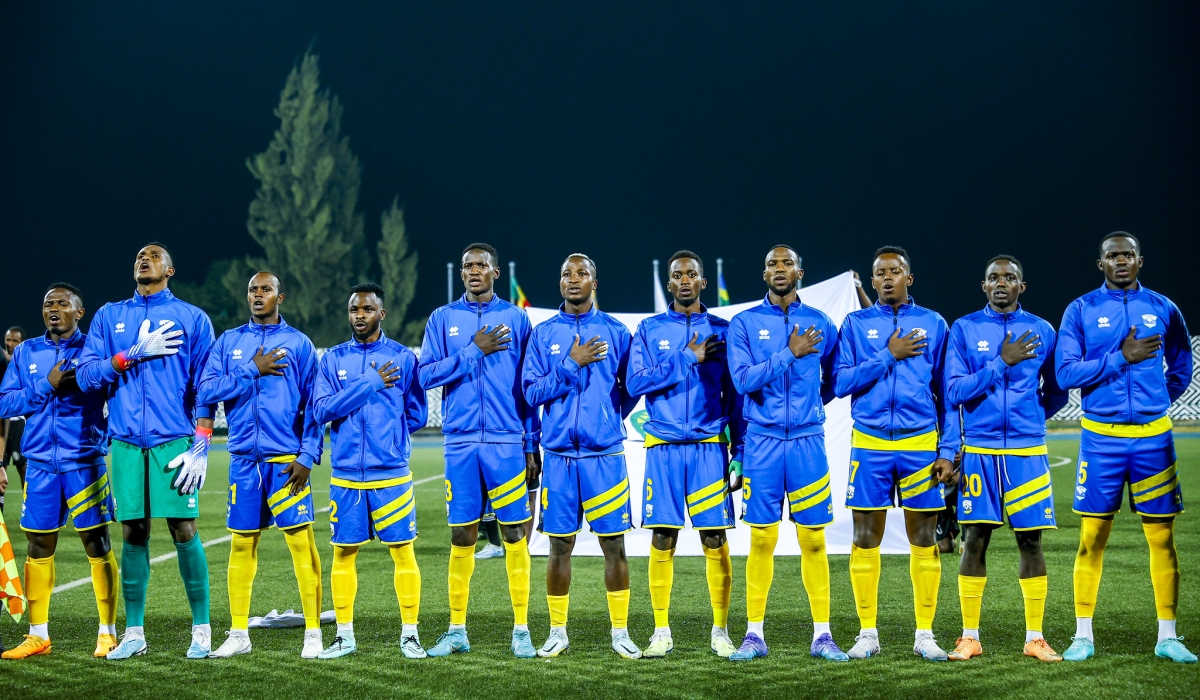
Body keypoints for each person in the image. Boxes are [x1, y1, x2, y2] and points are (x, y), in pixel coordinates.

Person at [1056, 232, 1195, 664]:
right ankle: (1083, 636)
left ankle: (1168, 637)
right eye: (1113, 256)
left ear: (1140, 260)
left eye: (1128, 254)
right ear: (1101, 263)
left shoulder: (1163, 307)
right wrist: (1122, 358)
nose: (1121, 261)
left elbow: (1181, 365)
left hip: (1154, 437)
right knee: (1091, 538)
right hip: (1101, 439)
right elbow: (1064, 374)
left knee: (1163, 539)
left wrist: (1154, 397)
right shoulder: (1080, 309)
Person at [76, 243, 216, 660]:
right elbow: (86, 377)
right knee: (133, 532)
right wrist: (125, 357)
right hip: (124, 442)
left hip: (173, 439)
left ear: (170, 269)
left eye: (154, 255)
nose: (145, 258)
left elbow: (206, 385)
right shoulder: (109, 315)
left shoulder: (192, 318)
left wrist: (203, 442)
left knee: (183, 530)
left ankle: (203, 629)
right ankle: (134, 632)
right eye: (140, 254)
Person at [723, 245, 847, 662]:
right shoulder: (744, 323)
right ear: (764, 275)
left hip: (808, 443)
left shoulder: (821, 322)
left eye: (787, 263)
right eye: (773, 264)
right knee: (762, 539)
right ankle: (754, 635)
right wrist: (788, 353)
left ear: (800, 271)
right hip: (762, 442)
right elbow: (741, 381)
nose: (780, 269)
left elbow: (834, 378)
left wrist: (812, 404)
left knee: (814, 540)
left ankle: (823, 636)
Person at [943, 255, 1069, 662]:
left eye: (1010, 278)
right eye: (994, 278)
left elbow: (1057, 389)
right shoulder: (963, 329)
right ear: (984, 286)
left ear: (1021, 286)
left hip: (1027, 451)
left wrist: (1030, 418)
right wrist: (1002, 361)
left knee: (1030, 542)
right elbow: (956, 391)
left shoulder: (1043, 330)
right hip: (980, 452)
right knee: (973, 540)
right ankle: (969, 637)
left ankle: (1035, 638)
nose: (1001, 283)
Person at [833, 245, 956, 661]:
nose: (887, 278)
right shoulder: (854, 323)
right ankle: (868, 633)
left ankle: (925, 634)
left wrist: (948, 449)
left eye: (895, 271)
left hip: (920, 442)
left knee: (924, 539)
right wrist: (889, 354)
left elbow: (947, 393)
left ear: (909, 277)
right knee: (865, 539)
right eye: (879, 273)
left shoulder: (934, 324)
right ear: (871, 281)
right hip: (869, 442)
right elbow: (840, 381)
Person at [418, 243, 541, 658]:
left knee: (513, 533)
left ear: (495, 272)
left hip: (507, 440)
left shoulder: (517, 318)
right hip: (461, 441)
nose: (473, 271)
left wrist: (530, 442)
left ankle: (521, 629)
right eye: (467, 266)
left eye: (481, 265)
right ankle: (457, 630)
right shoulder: (442, 318)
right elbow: (426, 375)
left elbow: (528, 388)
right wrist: (472, 350)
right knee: (462, 534)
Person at [197, 272, 325, 659]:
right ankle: (238, 632)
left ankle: (314, 633)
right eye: (252, 289)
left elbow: (315, 408)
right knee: (240, 544)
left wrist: (307, 455)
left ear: (279, 296)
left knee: (301, 543)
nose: (257, 294)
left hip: (286, 462)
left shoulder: (299, 344)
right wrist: (251, 369)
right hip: (242, 460)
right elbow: (205, 391)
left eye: (265, 289)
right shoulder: (229, 341)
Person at [522, 253, 641, 659]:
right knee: (559, 547)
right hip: (557, 457)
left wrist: (606, 420)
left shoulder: (616, 331)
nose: (573, 279)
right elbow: (531, 393)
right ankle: (558, 631)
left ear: (595, 281)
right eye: (566, 274)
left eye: (582, 273)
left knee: (615, 547)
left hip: (604, 456)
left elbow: (631, 387)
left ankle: (620, 632)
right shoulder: (543, 335)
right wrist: (570, 365)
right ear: (560, 284)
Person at [627, 250, 743, 658]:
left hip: (710, 447)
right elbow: (637, 382)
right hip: (663, 448)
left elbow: (736, 397)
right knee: (663, 536)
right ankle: (661, 631)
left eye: (692, 274)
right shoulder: (649, 328)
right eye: (678, 275)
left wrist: (740, 451)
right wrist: (684, 357)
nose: (685, 281)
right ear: (671, 284)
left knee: (714, 537)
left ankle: (721, 630)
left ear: (702, 282)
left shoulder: (724, 330)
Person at [0, 284, 119, 659]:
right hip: (39, 465)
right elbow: (6, 402)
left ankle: (107, 631)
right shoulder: (26, 351)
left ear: (79, 312)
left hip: (84, 462)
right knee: (38, 546)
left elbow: (114, 393)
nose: (53, 308)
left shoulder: (94, 351)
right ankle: (38, 635)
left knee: (96, 544)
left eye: (62, 303)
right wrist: (45, 385)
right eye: (48, 303)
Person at [310, 283, 428, 660]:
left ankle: (410, 634)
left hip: (391, 473)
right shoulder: (332, 360)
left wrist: (389, 439)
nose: (358, 315)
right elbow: (322, 411)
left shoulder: (402, 358)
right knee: (344, 553)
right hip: (346, 475)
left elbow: (417, 413)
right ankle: (344, 636)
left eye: (366, 309)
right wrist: (370, 383)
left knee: (403, 553)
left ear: (382, 313)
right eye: (353, 310)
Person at [2, 326, 29, 503]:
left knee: (23, 467)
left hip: (18, 423)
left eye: (15, 341)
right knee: (1, 465)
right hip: (2, 422)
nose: (10, 344)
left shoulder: (26, 363)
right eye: (8, 340)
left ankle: (30, 504)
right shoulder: (2, 361)